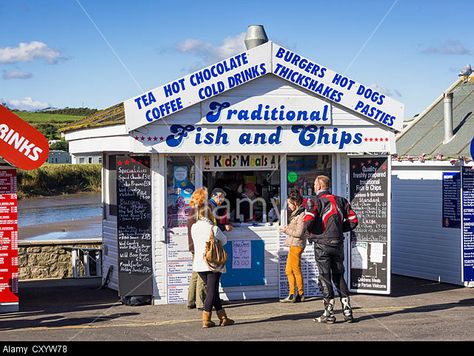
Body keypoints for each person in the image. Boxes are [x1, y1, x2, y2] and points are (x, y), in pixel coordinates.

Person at [304, 175, 358, 323]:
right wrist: (340, 229)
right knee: (339, 276)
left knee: (324, 277)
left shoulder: (313, 201)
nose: (314, 187)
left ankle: (328, 313)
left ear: (320, 186)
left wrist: (309, 233)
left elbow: (307, 222)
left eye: (315, 184)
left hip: (322, 245)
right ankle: (347, 311)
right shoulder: (342, 200)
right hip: (338, 244)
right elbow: (354, 221)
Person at [189, 188, 235, 328]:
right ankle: (206, 319)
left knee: (213, 291)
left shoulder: (194, 227)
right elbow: (224, 240)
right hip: (212, 264)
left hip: (199, 264)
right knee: (211, 292)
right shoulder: (213, 229)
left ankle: (223, 317)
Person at [279, 189, 306, 303]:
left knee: (295, 269)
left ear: (295, 203)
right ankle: (291, 294)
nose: (289, 206)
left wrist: (286, 230)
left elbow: (299, 233)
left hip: (297, 245)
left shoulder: (301, 215)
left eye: (290, 204)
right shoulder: (296, 214)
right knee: (288, 270)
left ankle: (300, 294)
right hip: (293, 244)